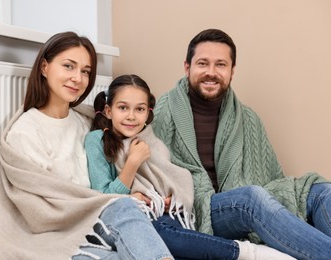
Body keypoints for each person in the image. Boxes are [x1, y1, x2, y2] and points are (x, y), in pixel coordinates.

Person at [0, 32, 174, 260]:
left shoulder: (86, 123)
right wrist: (118, 201)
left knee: (137, 221)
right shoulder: (26, 131)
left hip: (96, 223)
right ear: (44, 67)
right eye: (69, 66)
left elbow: (109, 172)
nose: (78, 78)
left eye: (85, 71)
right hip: (56, 235)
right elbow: (40, 210)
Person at [152, 28, 331, 259]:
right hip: (203, 208)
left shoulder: (247, 117)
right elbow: (150, 172)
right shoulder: (162, 114)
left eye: (220, 65)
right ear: (187, 67)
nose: (211, 72)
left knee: (321, 191)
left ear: (232, 71)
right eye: (203, 63)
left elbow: (273, 178)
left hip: (242, 200)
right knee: (251, 198)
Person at [85, 74, 294, 260]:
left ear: (147, 113)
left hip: (165, 214)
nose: (131, 116)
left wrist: (168, 199)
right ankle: (244, 252)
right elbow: (103, 197)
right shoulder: (97, 140)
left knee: (170, 237)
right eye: (123, 108)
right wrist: (132, 163)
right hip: (131, 218)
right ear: (108, 110)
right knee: (161, 234)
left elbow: (171, 177)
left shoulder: (150, 139)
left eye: (139, 109)